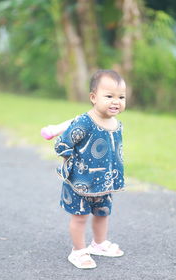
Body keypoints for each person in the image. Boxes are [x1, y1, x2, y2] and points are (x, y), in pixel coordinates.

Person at [50, 69, 126, 269]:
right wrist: (73, 163)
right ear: (93, 97)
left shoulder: (117, 124)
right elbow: (62, 144)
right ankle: (78, 251)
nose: (115, 101)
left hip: (105, 182)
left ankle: (99, 244)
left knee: (102, 213)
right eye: (109, 96)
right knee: (80, 216)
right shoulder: (85, 122)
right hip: (80, 182)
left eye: (121, 97)